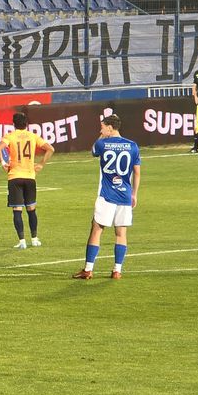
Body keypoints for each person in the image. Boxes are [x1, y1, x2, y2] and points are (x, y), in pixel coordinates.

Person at [73, 113, 141, 281]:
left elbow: (93, 151)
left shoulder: (102, 144)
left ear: (110, 128)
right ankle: (117, 270)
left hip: (106, 194)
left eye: (102, 127)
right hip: (125, 195)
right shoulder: (132, 145)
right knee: (121, 233)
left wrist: (103, 136)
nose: (100, 130)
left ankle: (88, 270)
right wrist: (134, 194)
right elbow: (137, 172)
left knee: (96, 229)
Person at [0, 111, 54, 249]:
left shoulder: (10, 136)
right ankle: (34, 239)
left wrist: (3, 163)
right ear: (26, 124)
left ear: (13, 124)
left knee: (17, 210)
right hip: (29, 176)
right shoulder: (33, 136)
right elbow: (50, 149)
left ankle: (22, 241)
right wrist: (41, 164)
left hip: (15, 176)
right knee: (31, 209)